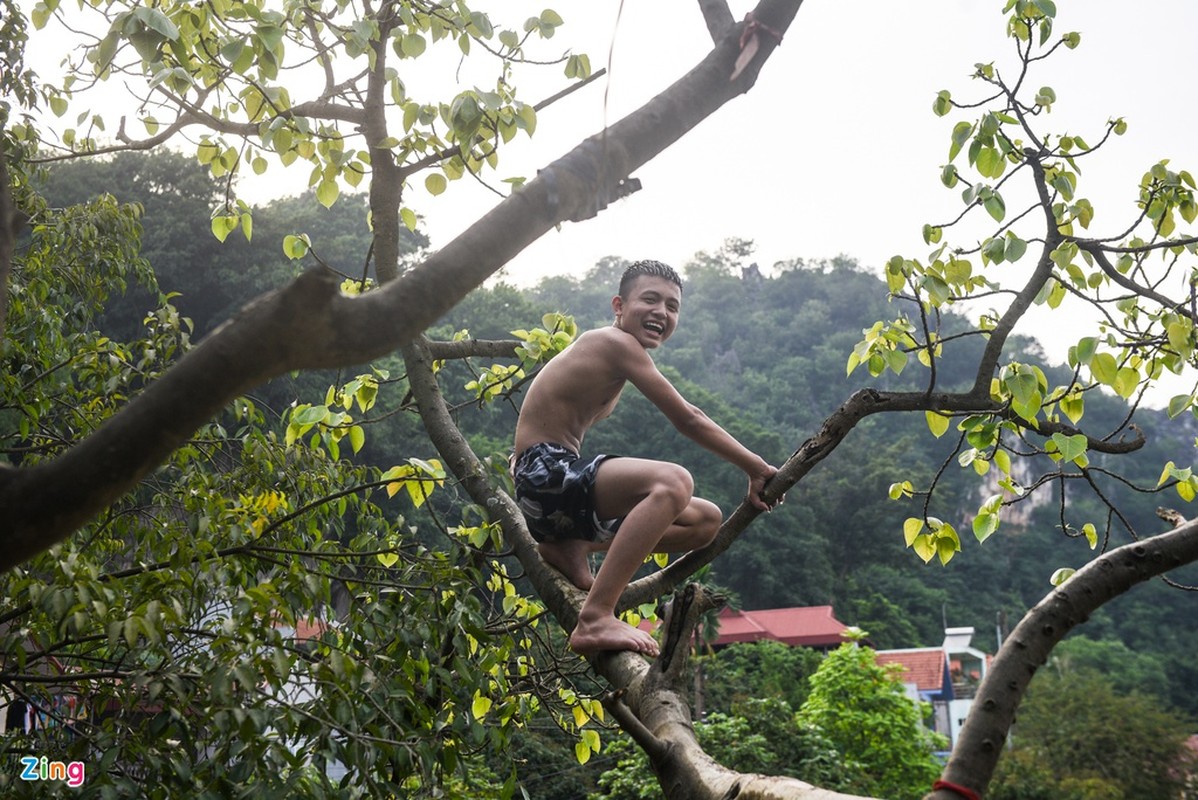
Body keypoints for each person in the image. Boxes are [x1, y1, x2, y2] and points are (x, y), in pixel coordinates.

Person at [512, 260, 780, 657]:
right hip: (546, 472)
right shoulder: (613, 343)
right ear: (619, 305)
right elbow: (688, 418)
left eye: (672, 307)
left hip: (555, 487)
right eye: (650, 300)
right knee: (673, 482)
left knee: (704, 521)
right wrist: (756, 467)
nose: (661, 312)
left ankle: (574, 546)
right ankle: (596, 617)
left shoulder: (619, 355)